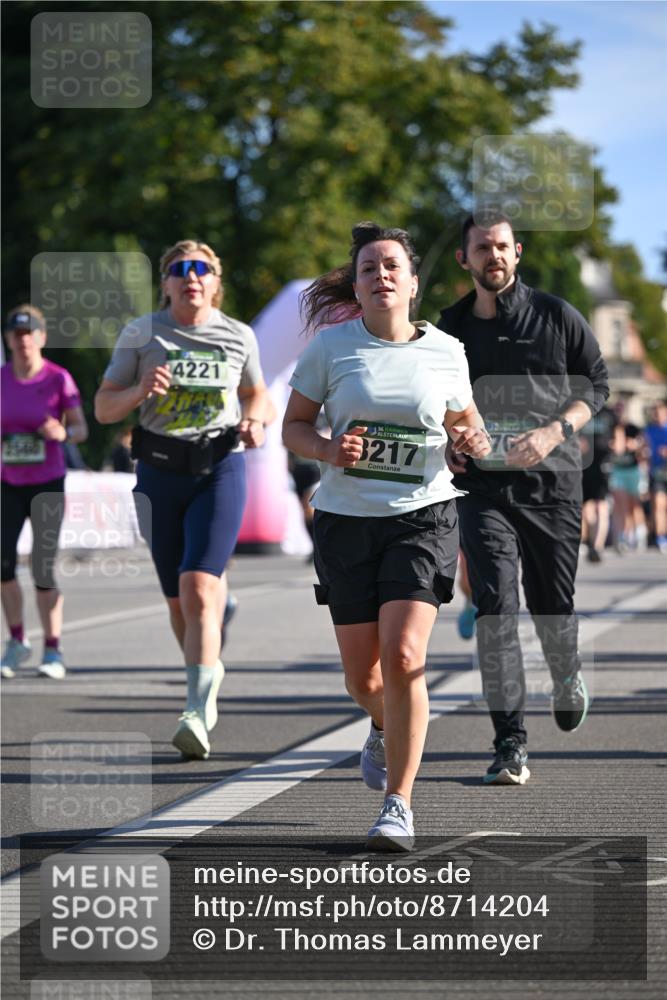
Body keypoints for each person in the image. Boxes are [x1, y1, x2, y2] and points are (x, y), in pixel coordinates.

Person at [283, 222, 490, 851]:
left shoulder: (447, 351)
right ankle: (381, 723)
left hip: (423, 517)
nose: (381, 276)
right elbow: (293, 428)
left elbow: (467, 425)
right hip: (346, 521)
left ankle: (397, 805)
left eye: (392, 266)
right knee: (363, 679)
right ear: (359, 283)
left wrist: (472, 441)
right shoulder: (330, 347)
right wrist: (326, 447)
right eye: (369, 268)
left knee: (404, 658)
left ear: (413, 282)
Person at [438, 214, 609, 786]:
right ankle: (509, 743)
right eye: (483, 247)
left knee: (552, 603)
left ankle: (566, 673)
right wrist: (447, 443)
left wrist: (555, 431)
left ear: (518, 253)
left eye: (503, 247)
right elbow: (430, 402)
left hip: (553, 487)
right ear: (465, 258)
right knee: (495, 610)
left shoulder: (558, 316)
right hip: (483, 490)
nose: (495, 256)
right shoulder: (449, 329)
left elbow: (597, 385)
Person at [95, 240, 268, 760]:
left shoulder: (237, 334)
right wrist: (139, 390)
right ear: (166, 282)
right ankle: (207, 665)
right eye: (180, 269)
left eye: (202, 270)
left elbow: (256, 393)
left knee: (196, 585)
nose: (191, 277)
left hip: (218, 469)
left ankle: (195, 709)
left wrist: (255, 420)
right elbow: (105, 408)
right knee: (178, 600)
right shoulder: (141, 333)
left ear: (216, 282)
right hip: (158, 474)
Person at [1, 304, 88, 680]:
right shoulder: (1, 379)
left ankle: (53, 648)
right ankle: (17, 640)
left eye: (29, 333)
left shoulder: (58, 379)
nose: (23, 341)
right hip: (7, 482)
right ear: (8, 338)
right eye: (16, 334)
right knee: (2, 565)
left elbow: (82, 429)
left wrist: (62, 433)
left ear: (42, 337)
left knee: (42, 567)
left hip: (47, 482)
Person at [579, 404, 617, 562]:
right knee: (585, 505)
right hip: (583, 462)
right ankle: (588, 541)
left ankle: (597, 546)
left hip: (603, 461)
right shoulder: (579, 408)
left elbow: (618, 434)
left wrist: (616, 447)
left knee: (601, 504)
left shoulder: (608, 413)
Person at [644, 400, 667, 553]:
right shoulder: (648, 430)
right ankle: (660, 537)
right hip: (656, 472)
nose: (657, 415)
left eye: (660, 412)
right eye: (655, 412)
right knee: (658, 505)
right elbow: (644, 448)